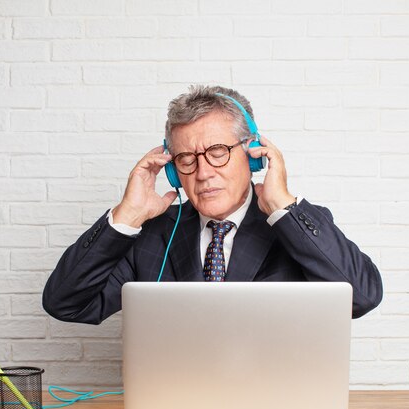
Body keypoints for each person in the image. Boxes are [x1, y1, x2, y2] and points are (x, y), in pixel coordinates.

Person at [43, 85, 382, 325]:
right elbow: (66, 304)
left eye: (218, 152)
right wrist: (126, 216)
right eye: (187, 158)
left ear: (252, 154)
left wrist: (282, 206)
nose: (203, 173)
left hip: (274, 404)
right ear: (174, 170)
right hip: (175, 406)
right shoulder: (153, 234)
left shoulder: (295, 225)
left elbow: (362, 297)